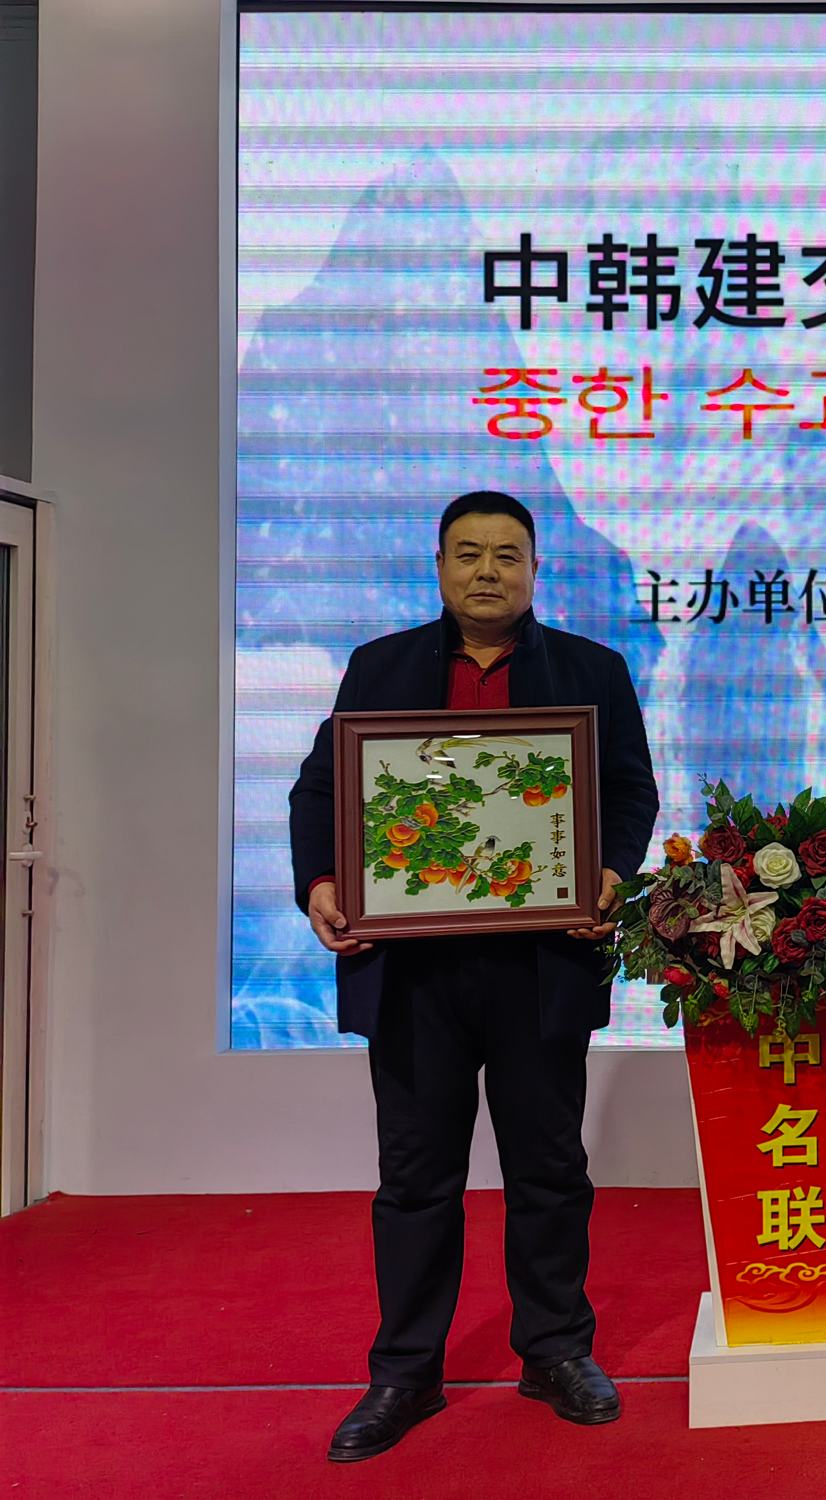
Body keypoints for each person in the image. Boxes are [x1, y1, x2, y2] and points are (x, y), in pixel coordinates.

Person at [289, 491, 658, 1462]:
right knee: (416, 1179)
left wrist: (610, 872)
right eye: (467, 553)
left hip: (540, 966)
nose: (487, 571)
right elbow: (321, 789)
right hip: (414, 972)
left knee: (549, 1169)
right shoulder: (379, 666)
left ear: (535, 570)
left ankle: (555, 1350)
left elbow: (630, 791)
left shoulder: (592, 669)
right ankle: (405, 1372)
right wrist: (322, 882)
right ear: (440, 566)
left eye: (506, 554)